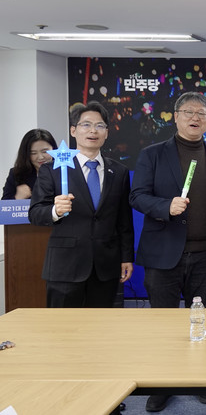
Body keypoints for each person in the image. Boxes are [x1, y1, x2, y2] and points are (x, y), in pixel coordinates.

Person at [130, 91, 206, 412]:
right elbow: (137, 196)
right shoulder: (152, 154)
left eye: (202, 113)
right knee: (163, 324)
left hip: (205, 255)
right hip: (163, 254)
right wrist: (166, 206)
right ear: (176, 117)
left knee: (200, 321)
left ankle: (200, 379)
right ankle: (162, 384)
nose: (195, 118)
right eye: (189, 112)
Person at [29, 103, 134, 308]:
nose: (93, 130)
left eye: (99, 126)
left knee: (101, 324)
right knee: (62, 325)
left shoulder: (119, 171)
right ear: (73, 130)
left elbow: (124, 221)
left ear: (107, 133)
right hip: (65, 267)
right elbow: (35, 213)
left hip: (105, 267)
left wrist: (126, 257)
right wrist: (55, 211)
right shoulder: (52, 169)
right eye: (86, 124)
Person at [2, 128, 56, 200]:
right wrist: (18, 197)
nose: (40, 157)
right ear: (26, 154)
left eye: (45, 151)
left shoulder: (65, 171)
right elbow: (4, 205)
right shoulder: (16, 174)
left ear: (54, 149)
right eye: (33, 153)